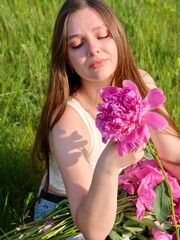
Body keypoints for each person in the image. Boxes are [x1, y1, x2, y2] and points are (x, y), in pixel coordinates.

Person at [31, 0, 180, 239]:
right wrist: (110, 165)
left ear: (118, 38)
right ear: (66, 58)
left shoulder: (140, 83)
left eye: (102, 35)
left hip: (115, 196)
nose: (93, 49)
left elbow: (171, 153)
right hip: (68, 213)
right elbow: (93, 231)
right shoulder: (68, 122)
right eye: (77, 44)